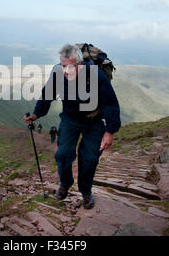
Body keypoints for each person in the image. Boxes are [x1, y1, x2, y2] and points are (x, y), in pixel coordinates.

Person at [23, 44, 121, 209]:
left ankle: (86, 191)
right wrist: (36, 114)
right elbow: (48, 94)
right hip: (70, 119)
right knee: (63, 154)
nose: (66, 70)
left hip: (93, 122)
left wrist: (110, 131)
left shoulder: (95, 74)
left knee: (89, 159)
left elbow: (110, 103)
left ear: (81, 64)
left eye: (71, 66)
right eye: (63, 66)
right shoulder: (58, 73)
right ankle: (65, 184)